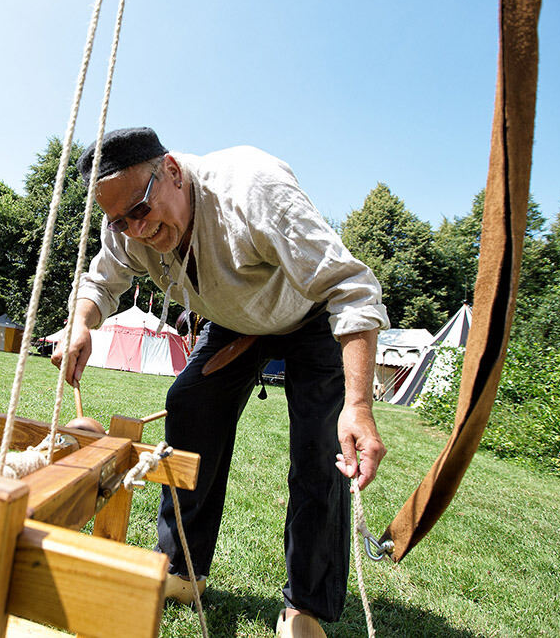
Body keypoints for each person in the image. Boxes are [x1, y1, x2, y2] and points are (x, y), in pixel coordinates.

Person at [51, 127, 388, 637]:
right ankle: (183, 568)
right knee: (189, 408)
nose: (135, 231)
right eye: (119, 221)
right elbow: (103, 278)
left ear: (171, 170)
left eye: (140, 211)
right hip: (235, 324)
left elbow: (351, 289)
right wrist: (81, 321)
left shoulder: (253, 191)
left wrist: (358, 404)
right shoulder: (122, 222)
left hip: (311, 318)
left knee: (322, 449)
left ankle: (305, 606)